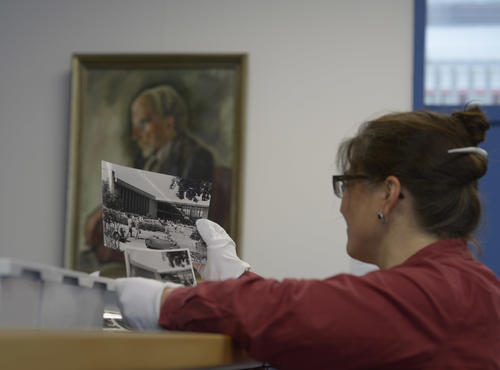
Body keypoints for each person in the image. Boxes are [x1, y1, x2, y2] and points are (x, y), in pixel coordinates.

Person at [116, 106, 500, 369]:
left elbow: (301, 312)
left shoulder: (434, 295)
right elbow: (322, 322)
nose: (342, 206)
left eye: (346, 185)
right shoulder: (461, 286)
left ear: (389, 193)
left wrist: (169, 302)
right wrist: (238, 280)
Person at [130, 85, 214, 182]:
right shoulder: (142, 160)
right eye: (134, 125)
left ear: (168, 125)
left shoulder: (197, 159)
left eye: (143, 124)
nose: (134, 136)